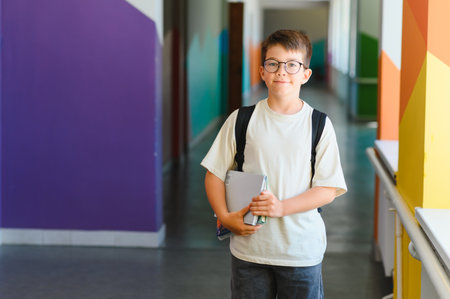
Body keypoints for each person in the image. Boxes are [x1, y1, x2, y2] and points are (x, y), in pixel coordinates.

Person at [201, 29, 347, 299]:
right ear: (262, 71)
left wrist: (281, 208)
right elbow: (214, 173)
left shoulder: (319, 125)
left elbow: (327, 189)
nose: (282, 72)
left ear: (305, 74)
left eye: (292, 65)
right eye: (273, 64)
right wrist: (224, 216)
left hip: (300, 252)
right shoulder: (241, 119)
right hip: (249, 250)